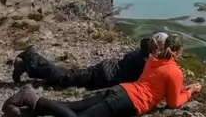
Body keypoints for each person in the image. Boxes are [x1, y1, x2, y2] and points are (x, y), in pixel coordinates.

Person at [0, 34, 201, 117]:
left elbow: (158, 82)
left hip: (119, 90)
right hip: (123, 98)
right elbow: (173, 103)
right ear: (177, 52)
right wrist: (189, 91)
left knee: (72, 105)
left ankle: (22, 114)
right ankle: (30, 95)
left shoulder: (152, 61)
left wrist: (179, 88)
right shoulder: (171, 69)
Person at [11, 35, 158, 90]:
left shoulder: (142, 51)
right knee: (66, 78)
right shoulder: (145, 61)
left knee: (70, 75)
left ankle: (27, 66)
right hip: (106, 75)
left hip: (106, 69)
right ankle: (32, 57)